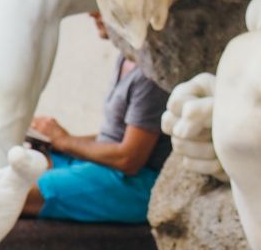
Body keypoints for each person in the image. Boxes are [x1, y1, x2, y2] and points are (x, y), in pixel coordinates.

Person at [20, 12, 171, 223]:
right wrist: (54, 141)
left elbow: (129, 159)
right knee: (19, 167)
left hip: (137, 184)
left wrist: (64, 140)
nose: (92, 14)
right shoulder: (126, 59)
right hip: (107, 170)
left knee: (13, 196)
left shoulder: (149, 75)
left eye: (101, 6)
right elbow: (113, 140)